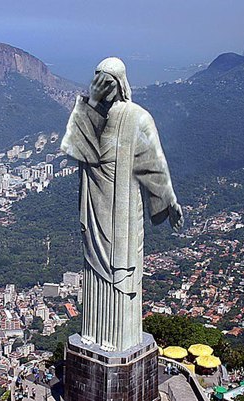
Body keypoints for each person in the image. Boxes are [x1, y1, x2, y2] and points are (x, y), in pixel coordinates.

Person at [61, 57, 183, 352]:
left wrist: (169, 200)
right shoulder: (88, 114)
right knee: (94, 269)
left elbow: (154, 163)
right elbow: (74, 148)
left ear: (119, 84)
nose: (102, 87)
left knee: (121, 270)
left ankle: (119, 338)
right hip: (94, 205)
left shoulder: (138, 117)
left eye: (108, 82)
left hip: (123, 209)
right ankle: (93, 332)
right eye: (98, 81)